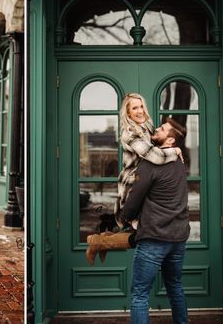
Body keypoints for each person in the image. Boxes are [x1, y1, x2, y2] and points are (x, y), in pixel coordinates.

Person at [86, 93, 182, 265]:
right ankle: (98, 243)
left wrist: (172, 147)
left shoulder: (147, 125)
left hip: (146, 184)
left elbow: (162, 142)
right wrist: (174, 151)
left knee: (143, 234)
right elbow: (156, 156)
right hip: (132, 186)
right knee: (143, 235)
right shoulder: (129, 134)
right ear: (128, 113)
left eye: (141, 106)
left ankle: (102, 241)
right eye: (134, 108)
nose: (140, 111)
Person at [123, 118, 190, 324]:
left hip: (154, 237)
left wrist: (124, 218)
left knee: (140, 294)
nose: (157, 129)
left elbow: (134, 199)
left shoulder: (151, 164)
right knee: (175, 286)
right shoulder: (179, 162)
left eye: (162, 129)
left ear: (169, 140)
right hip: (178, 238)